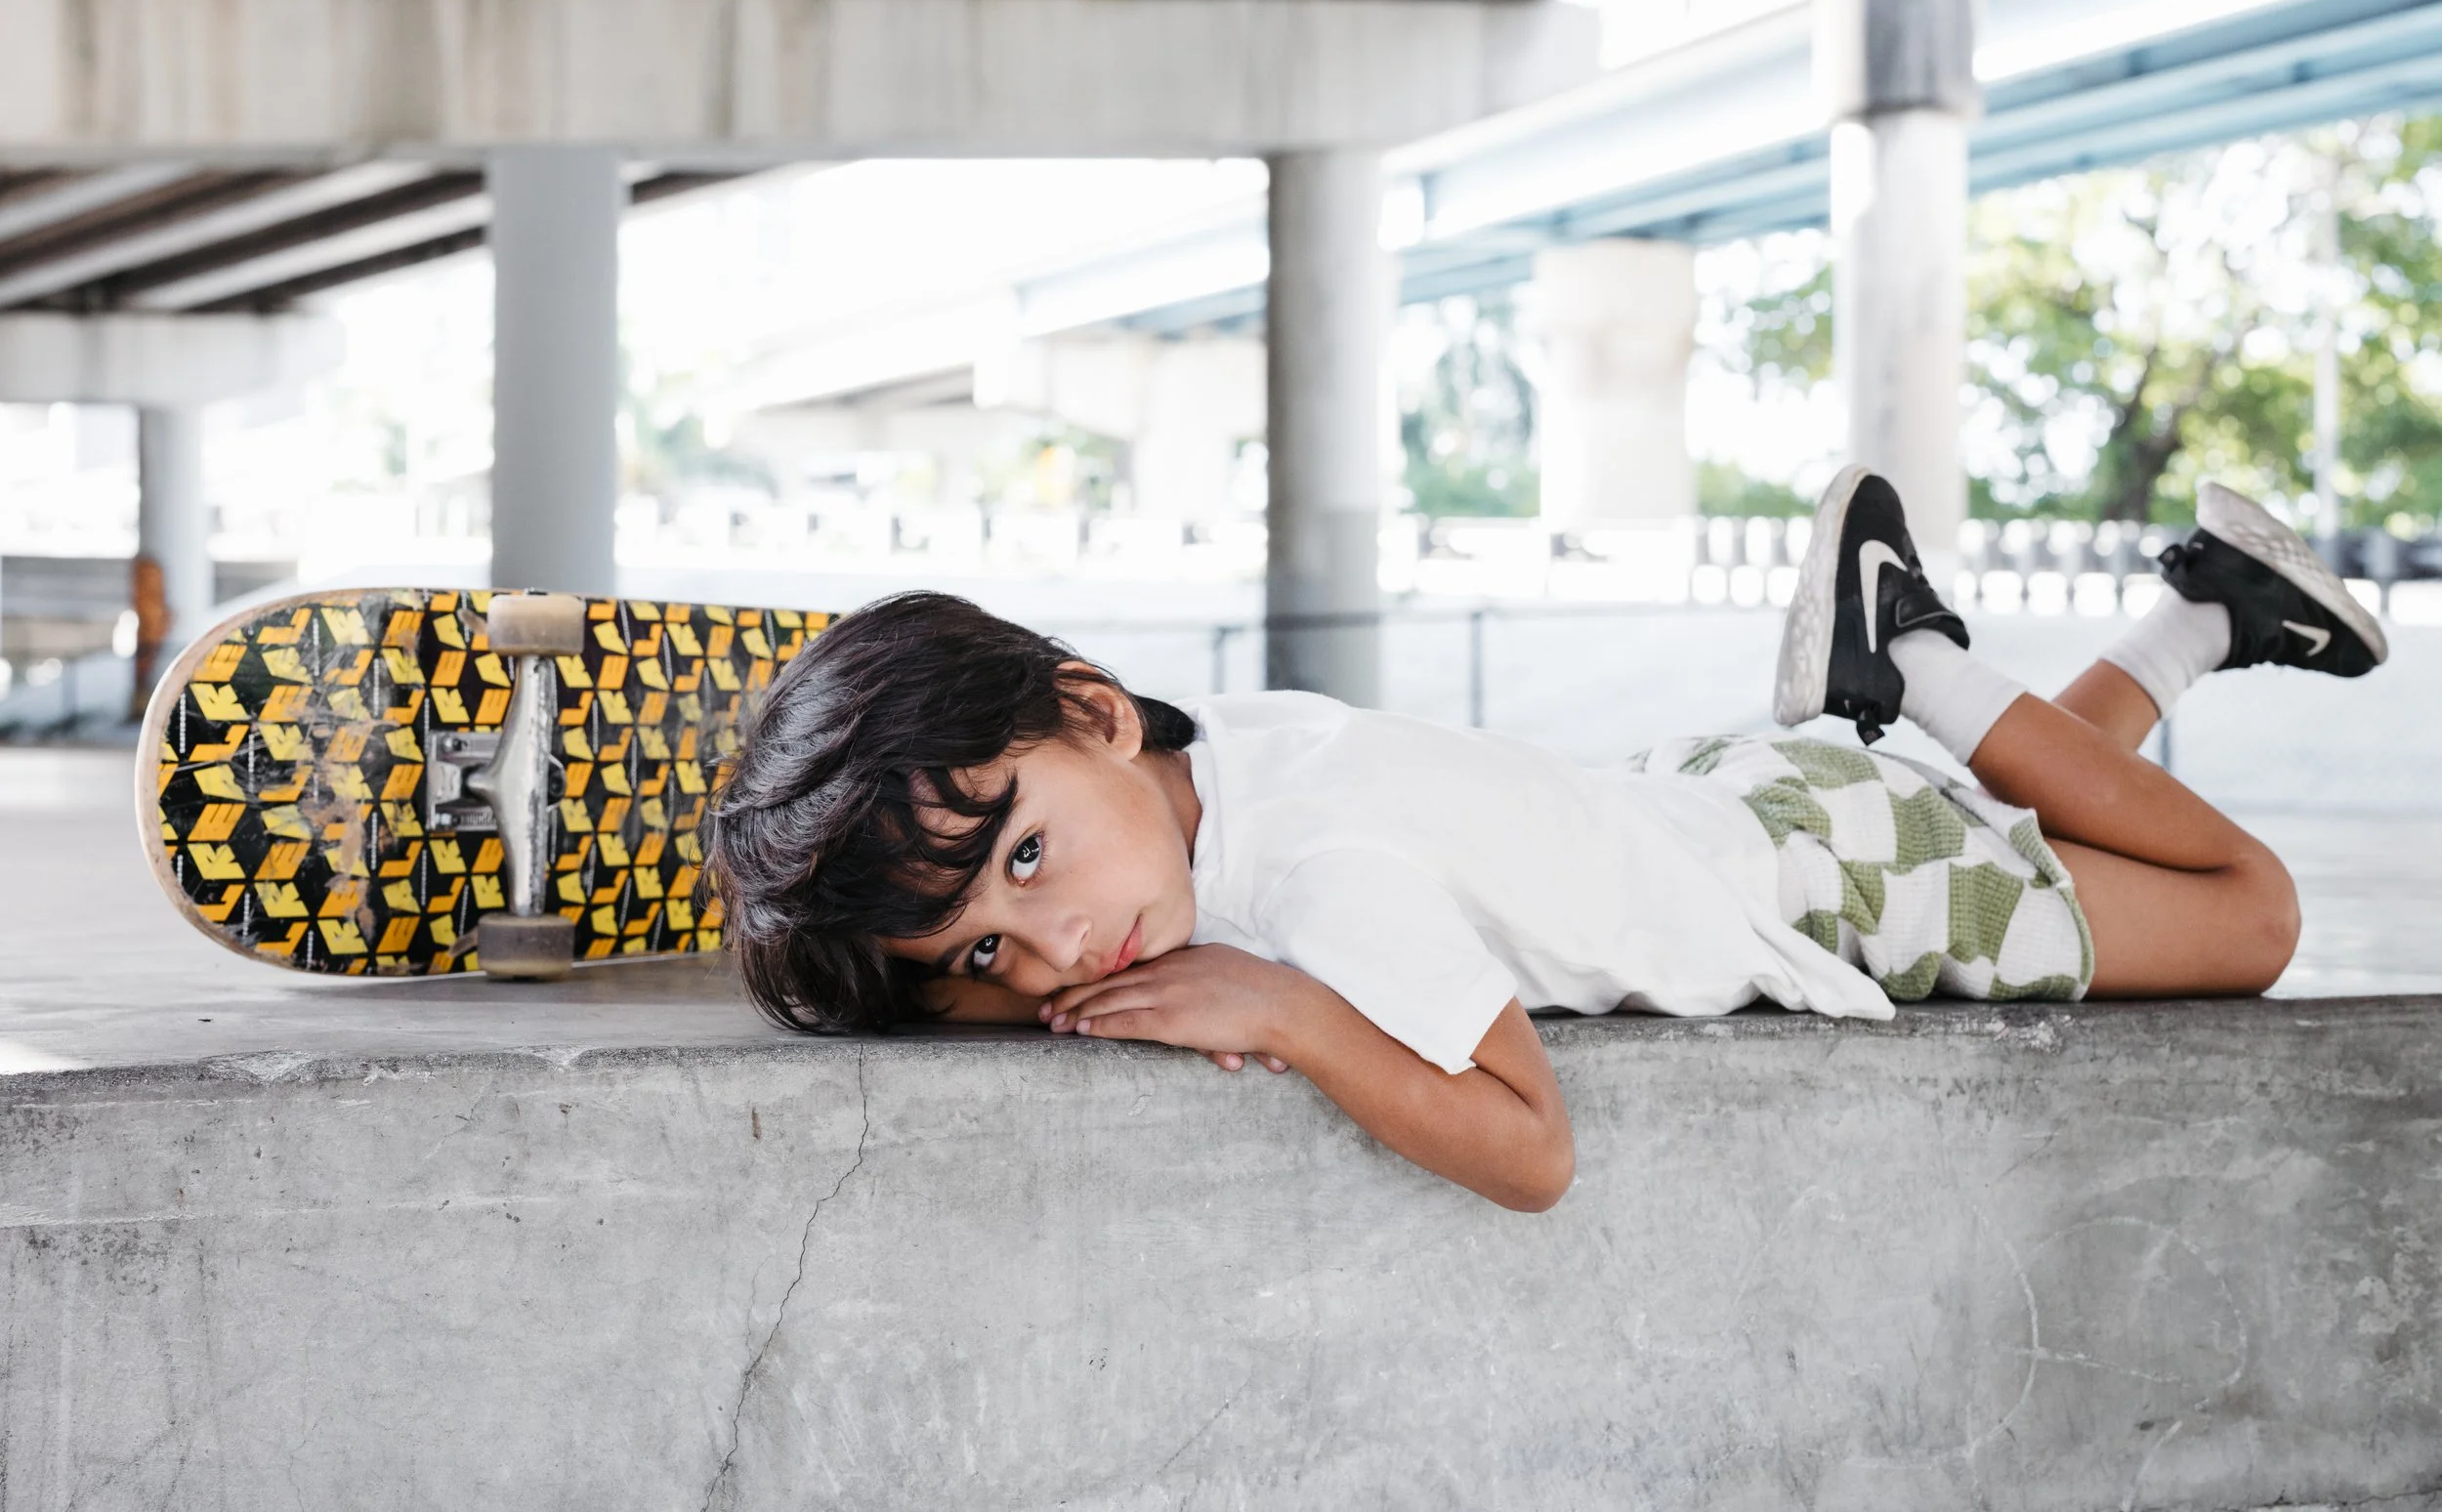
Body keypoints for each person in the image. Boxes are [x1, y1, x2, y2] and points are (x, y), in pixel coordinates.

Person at [703, 470, 2386, 1211]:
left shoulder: (1307, 890)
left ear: (1088, 713)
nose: (1059, 949)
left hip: (1838, 885)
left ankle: (1914, 649)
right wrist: (947, 960)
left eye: (1022, 862)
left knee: (2251, 913)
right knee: (2025, 814)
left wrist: (1289, 1015)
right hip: (1738, 802)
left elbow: (1530, 1147)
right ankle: (2202, 616)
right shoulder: (1212, 759)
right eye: (988, 955)